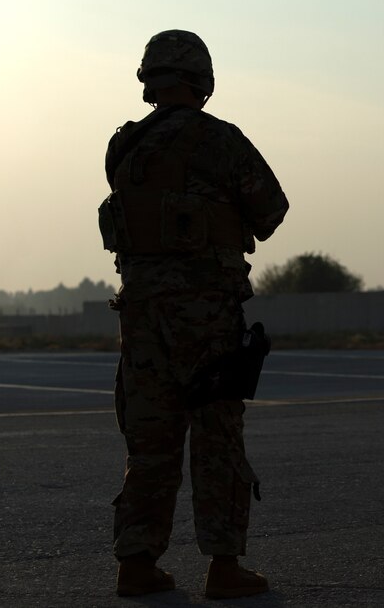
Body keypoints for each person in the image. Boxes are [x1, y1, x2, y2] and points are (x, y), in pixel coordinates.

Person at [98, 30, 289, 598]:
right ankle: (223, 567)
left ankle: (136, 563)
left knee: (150, 440)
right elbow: (271, 210)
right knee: (216, 437)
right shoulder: (221, 141)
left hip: (141, 319)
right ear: (201, 80)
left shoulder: (124, 150)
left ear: (149, 80)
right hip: (206, 318)